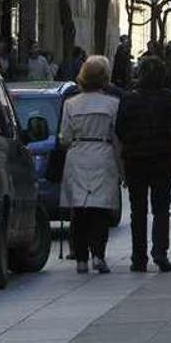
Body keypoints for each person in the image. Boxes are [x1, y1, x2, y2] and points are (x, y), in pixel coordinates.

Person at [58, 56, 123, 274]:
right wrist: (121, 167)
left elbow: (65, 137)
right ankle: (98, 255)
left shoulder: (70, 104)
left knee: (80, 210)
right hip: (103, 154)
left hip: (78, 155)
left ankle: (81, 259)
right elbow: (117, 137)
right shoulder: (113, 104)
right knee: (100, 211)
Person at [116, 57, 171, 273]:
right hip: (163, 158)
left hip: (136, 159)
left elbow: (120, 129)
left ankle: (138, 257)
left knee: (138, 209)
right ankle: (160, 252)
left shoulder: (128, 99)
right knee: (162, 207)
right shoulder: (168, 98)